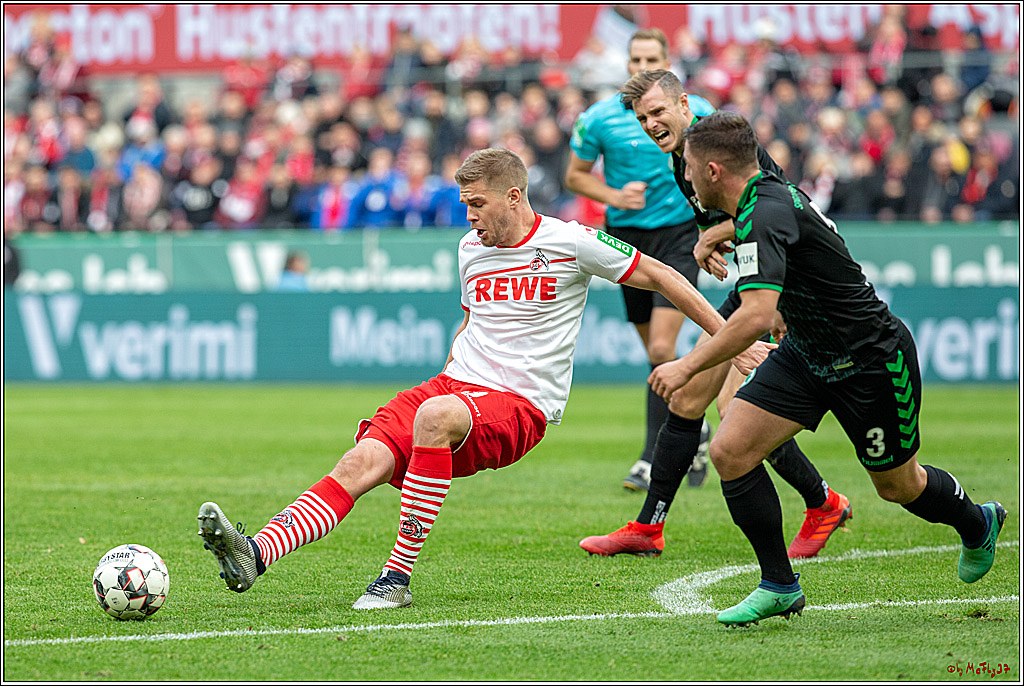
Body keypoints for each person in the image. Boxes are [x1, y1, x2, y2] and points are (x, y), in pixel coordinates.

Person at [196, 148, 772, 609]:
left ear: (514, 197)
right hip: (454, 385)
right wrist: (452, 368)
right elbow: (471, 319)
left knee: (432, 419)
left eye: (476, 204)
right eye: (464, 205)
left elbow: (666, 276)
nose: (468, 217)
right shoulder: (471, 248)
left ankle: (396, 579)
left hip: (521, 405)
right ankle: (257, 552)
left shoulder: (571, 242)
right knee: (360, 460)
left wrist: (731, 338)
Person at [649, 110, 1006, 626]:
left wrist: (686, 367)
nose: (682, 176)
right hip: (808, 355)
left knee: (898, 486)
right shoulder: (753, 206)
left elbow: (755, 315)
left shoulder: (764, 212)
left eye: (687, 166)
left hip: (871, 362)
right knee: (731, 450)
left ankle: (977, 523)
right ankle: (778, 584)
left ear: (711, 172)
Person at [580, 69, 852, 561]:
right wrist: (717, 235)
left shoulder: (718, 140)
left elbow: (786, 207)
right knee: (688, 399)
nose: (651, 124)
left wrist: (716, 241)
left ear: (685, 104)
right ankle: (649, 527)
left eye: (659, 112)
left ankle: (823, 502)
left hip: (782, 291)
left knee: (732, 416)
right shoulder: (678, 158)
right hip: (758, 285)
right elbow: (738, 218)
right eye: (643, 118)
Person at [565, 29, 713, 492]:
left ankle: (652, 457)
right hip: (625, 240)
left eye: (651, 58)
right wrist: (613, 196)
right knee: (653, 352)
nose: (641, 65)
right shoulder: (599, 118)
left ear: (668, 63)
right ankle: (696, 425)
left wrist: (716, 224)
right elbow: (574, 177)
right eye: (635, 58)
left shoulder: (699, 111)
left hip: (679, 234)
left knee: (661, 351)